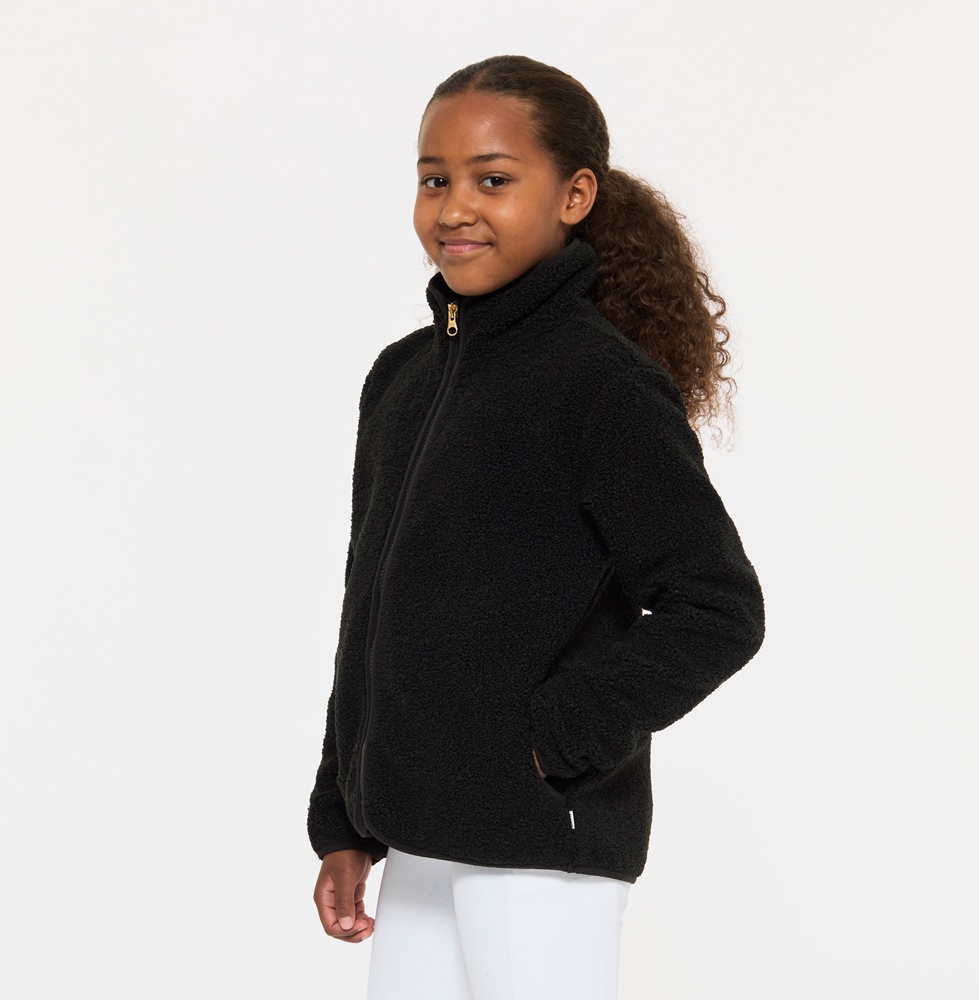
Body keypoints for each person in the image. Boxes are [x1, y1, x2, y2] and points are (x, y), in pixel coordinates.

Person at [309, 55, 765, 1000]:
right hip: (418, 832)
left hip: (536, 847)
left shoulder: (601, 386)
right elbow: (369, 612)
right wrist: (343, 818)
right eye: (434, 179)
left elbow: (718, 606)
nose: (454, 208)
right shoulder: (401, 380)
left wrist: (555, 738)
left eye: (493, 180)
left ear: (574, 195)